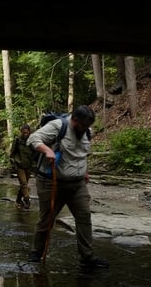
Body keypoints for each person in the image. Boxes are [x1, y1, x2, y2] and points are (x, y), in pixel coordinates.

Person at [26, 105, 109, 268]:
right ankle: (36, 254)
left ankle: (87, 257)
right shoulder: (58, 126)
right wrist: (46, 150)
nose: (86, 129)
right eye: (83, 125)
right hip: (52, 183)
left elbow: (82, 154)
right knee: (47, 220)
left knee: (84, 217)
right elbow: (32, 139)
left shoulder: (87, 131)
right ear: (75, 120)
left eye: (88, 126)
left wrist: (85, 171)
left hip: (77, 184)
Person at [9, 123, 34, 209]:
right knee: (23, 183)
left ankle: (18, 200)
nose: (25, 134)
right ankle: (27, 199)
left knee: (24, 184)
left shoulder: (32, 141)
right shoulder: (17, 140)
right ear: (21, 132)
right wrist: (13, 164)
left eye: (26, 133)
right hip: (19, 165)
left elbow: (34, 153)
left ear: (29, 132)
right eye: (23, 133)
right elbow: (12, 154)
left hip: (28, 165)